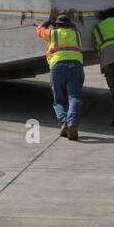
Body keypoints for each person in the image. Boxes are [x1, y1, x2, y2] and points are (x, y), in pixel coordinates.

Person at [36, 8, 85, 140]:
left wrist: (50, 20)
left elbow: (39, 30)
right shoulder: (77, 34)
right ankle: (72, 122)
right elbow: (74, 27)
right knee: (74, 97)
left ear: (56, 25)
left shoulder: (52, 33)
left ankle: (63, 123)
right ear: (70, 25)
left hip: (57, 68)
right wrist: (70, 18)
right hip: (76, 67)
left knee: (59, 101)